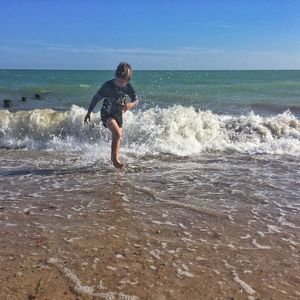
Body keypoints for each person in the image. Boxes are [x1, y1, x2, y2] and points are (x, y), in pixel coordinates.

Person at [84, 62, 139, 168]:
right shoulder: (108, 85)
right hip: (107, 112)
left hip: (118, 113)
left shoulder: (127, 87)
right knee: (117, 133)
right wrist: (88, 112)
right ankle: (114, 160)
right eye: (121, 80)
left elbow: (136, 101)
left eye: (126, 81)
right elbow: (96, 98)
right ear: (116, 76)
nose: (123, 83)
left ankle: (115, 158)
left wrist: (130, 105)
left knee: (117, 136)